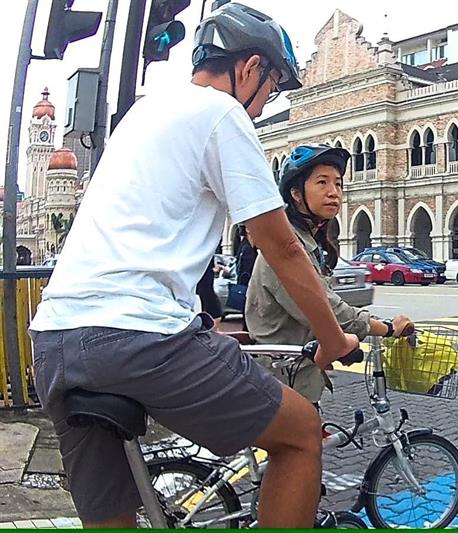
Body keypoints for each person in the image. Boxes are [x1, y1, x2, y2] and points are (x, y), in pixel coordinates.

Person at [27, 3, 360, 528]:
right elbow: (280, 245)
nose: (264, 102)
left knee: (111, 516)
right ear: (250, 67)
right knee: (301, 435)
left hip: (54, 342)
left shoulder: (143, 113)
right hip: (136, 338)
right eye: (271, 86)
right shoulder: (220, 113)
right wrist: (334, 336)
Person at [246, 144, 415, 403]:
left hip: (300, 371)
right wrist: (389, 328)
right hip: (283, 379)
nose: (333, 192)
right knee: (303, 443)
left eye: (337, 184)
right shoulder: (285, 248)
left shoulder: (306, 243)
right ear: (296, 194)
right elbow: (328, 308)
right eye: (322, 183)